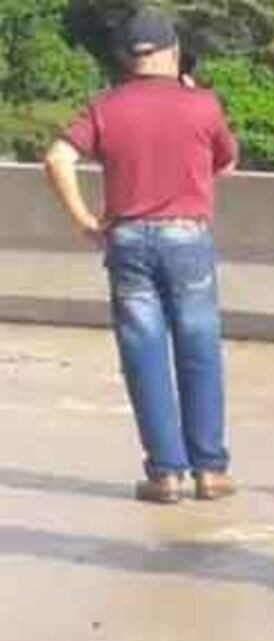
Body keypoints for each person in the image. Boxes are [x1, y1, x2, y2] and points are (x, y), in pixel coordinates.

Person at [43, 9, 239, 504]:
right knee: (199, 350)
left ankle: (166, 475)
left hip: (127, 240)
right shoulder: (203, 105)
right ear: (173, 51)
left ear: (128, 59)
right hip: (187, 237)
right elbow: (227, 160)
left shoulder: (106, 107)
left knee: (144, 356)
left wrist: (86, 221)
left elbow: (57, 157)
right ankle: (211, 470)